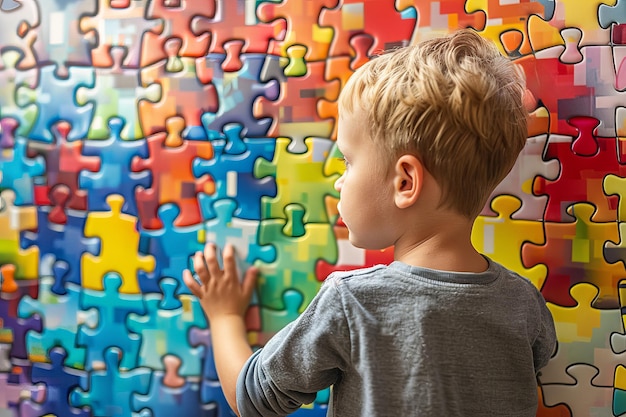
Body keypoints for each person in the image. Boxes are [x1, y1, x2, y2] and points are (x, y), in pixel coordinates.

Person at [183, 28, 556, 417]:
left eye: (349, 160)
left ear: (405, 182)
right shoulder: (524, 303)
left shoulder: (351, 301)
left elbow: (253, 399)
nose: (340, 180)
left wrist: (224, 315)